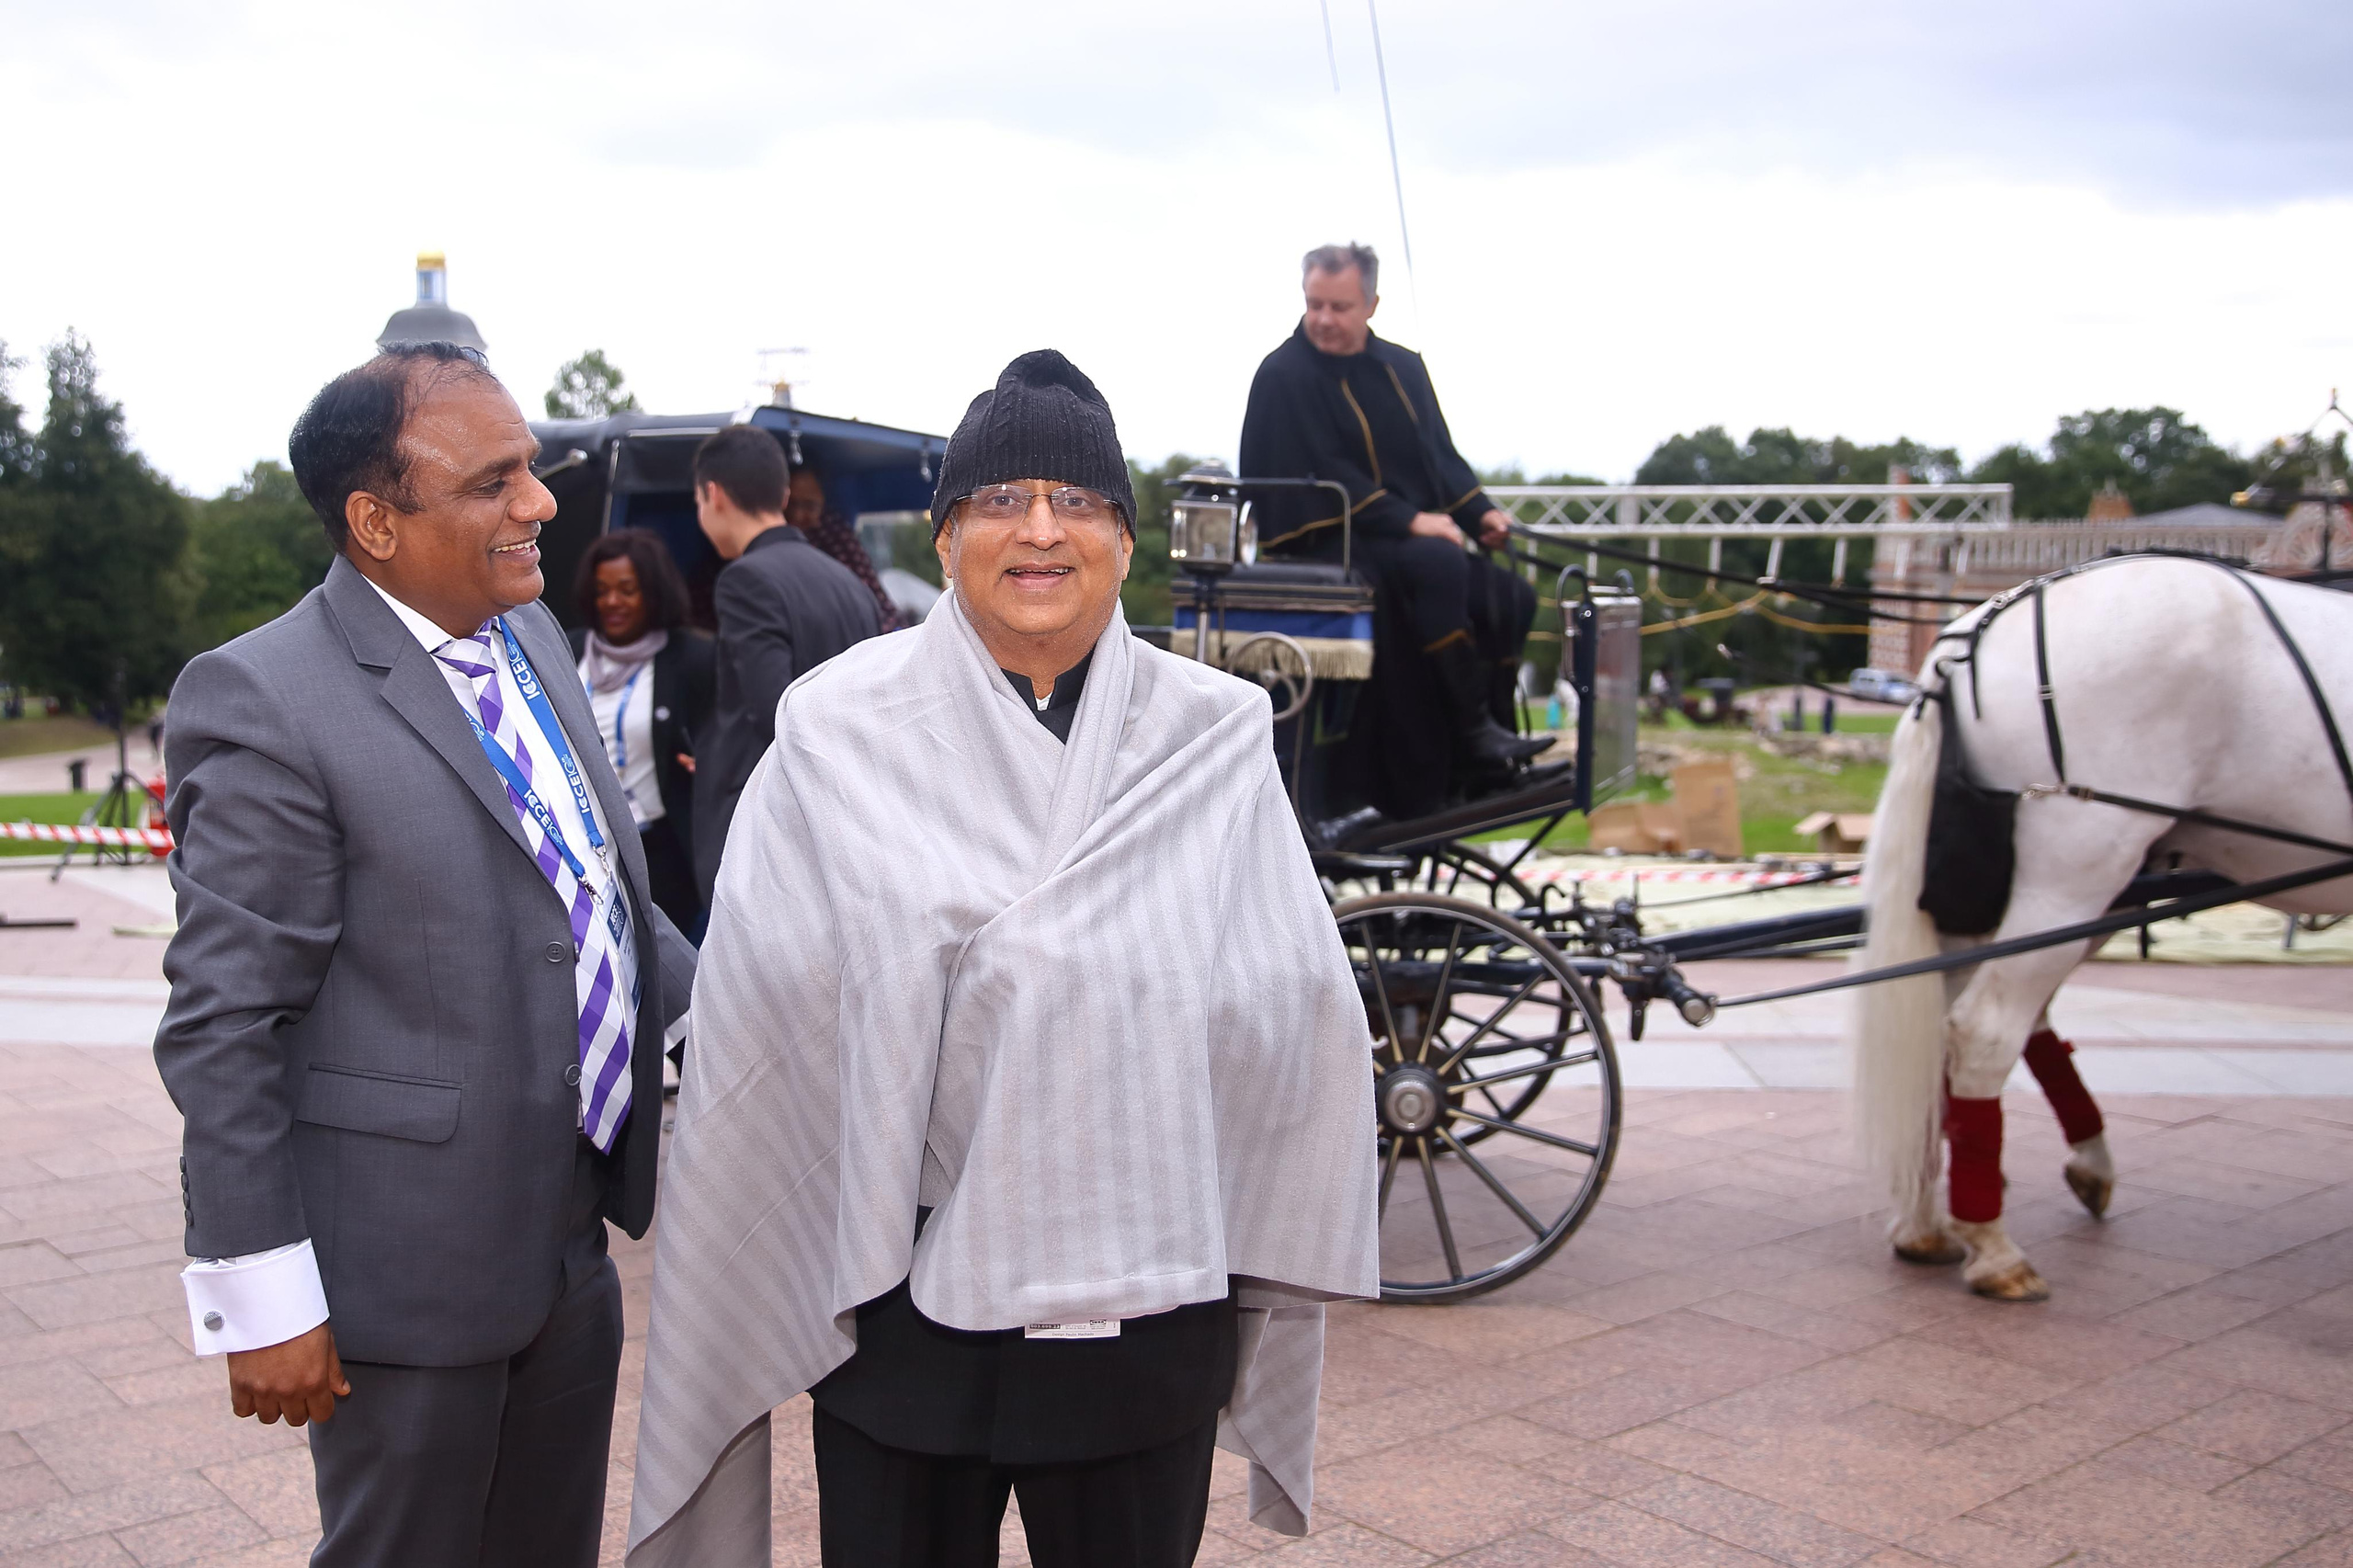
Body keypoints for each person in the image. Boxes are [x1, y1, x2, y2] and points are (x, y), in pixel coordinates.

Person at [625, 350, 1378, 1568]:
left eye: (1080, 502)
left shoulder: (1214, 736)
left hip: (1146, 1308)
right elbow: (763, 1000)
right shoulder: (837, 730)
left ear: (1127, 544)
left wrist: (1072, 992)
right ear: (945, 536)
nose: (1042, 529)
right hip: (904, 1312)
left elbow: (1291, 1001)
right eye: (1001, 501)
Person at [153, 343, 698, 1567]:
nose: (541, 501)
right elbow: (224, 1019)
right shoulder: (265, 699)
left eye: (535, 469)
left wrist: (730, 1013)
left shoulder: (533, 638)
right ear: (375, 522)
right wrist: (263, 1290)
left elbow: (596, 889)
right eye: (494, 480)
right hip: (403, 1274)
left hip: (569, 1243)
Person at [1239, 242, 1546, 822]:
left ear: (1371, 304)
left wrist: (1480, 512)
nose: (1324, 319)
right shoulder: (1284, 374)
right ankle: (1468, 738)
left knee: (1512, 595)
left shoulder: (1403, 367)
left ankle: (1490, 750)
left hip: (1401, 537)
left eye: (1340, 306)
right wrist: (1411, 520)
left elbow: (1441, 458)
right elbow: (1322, 471)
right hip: (1323, 538)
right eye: (1315, 304)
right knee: (1437, 565)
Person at [690, 426, 882, 903]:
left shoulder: (745, 579)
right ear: (783, 492)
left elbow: (773, 712)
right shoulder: (849, 583)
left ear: (712, 494)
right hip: (846, 824)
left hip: (769, 836)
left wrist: (721, 750)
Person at [568, 528, 716, 932]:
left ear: (653, 592)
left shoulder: (691, 658)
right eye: (602, 591)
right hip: (584, 845)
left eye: (627, 590)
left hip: (662, 852)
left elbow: (723, 735)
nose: (612, 602)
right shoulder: (569, 649)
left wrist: (708, 758)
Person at [790, 463, 903, 631]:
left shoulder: (837, 537)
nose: (798, 515)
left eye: (809, 506)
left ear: (824, 502)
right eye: (791, 504)